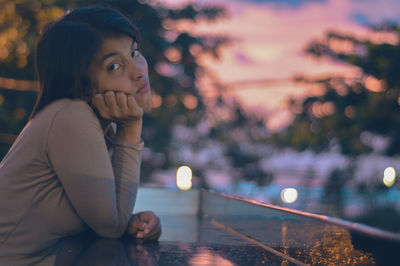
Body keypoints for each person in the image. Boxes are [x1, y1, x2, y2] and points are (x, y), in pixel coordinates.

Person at [0, 6, 161, 257]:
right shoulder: (70, 116)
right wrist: (131, 129)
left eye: (135, 52)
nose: (138, 71)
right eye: (114, 66)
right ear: (82, 85)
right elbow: (110, 226)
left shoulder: (97, 127)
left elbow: (107, 219)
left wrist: (131, 223)